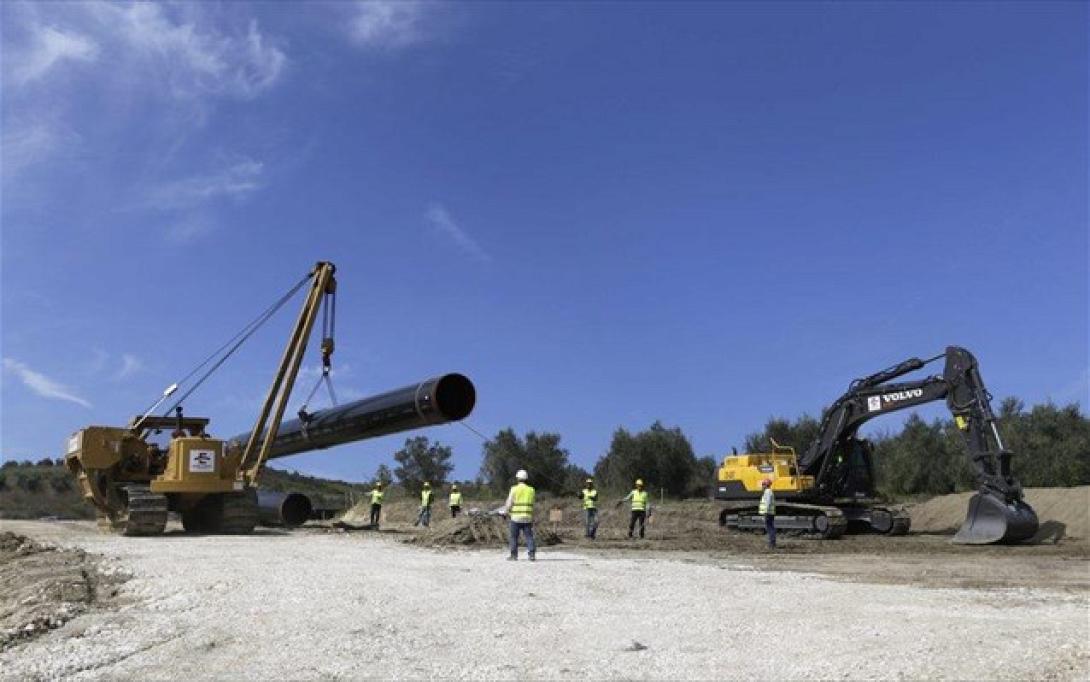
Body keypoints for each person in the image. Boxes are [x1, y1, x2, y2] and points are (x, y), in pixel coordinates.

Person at [501, 469, 536, 561]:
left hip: (515, 517)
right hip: (527, 517)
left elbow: (509, 502)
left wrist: (505, 512)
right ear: (526, 478)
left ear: (517, 478)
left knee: (513, 537)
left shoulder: (514, 489)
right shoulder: (531, 490)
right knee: (529, 537)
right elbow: (532, 502)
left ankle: (514, 555)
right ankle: (531, 554)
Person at [759, 478, 776, 549]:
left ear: (766, 485)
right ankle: (772, 544)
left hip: (768, 513)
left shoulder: (767, 492)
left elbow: (767, 503)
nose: (762, 486)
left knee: (770, 529)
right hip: (769, 513)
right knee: (770, 528)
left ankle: (771, 544)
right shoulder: (768, 491)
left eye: (763, 484)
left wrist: (765, 513)